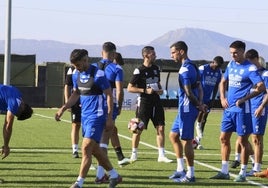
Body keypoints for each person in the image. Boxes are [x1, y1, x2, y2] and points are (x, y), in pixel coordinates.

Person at [55, 49, 122, 188]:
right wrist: (63, 108)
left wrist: (109, 117)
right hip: (85, 116)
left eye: (78, 65)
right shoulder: (76, 74)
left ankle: (79, 183)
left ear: (85, 60)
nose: (76, 68)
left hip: (97, 116)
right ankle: (114, 175)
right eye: (74, 66)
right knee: (95, 150)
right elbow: (76, 93)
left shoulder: (98, 74)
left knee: (85, 148)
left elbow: (109, 95)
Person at [209, 41, 265, 182]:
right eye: (231, 53)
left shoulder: (250, 68)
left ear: (242, 52)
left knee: (242, 141)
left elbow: (261, 87)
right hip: (229, 110)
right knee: (223, 138)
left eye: (235, 53)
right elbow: (223, 82)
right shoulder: (231, 65)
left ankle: (242, 172)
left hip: (242, 111)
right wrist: (222, 97)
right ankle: (224, 171)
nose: (233, 55)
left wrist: (245, 98)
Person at [168, 41, 206, 183]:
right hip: (185, 108)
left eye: (173, 52)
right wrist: (200, 103)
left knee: (187, 141)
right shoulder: (192, 66)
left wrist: (198, 105)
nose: (172, 55)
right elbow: (199, 87)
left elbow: (189, 91)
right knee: (173, 136)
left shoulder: (184, 69)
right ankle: (180, 169)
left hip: (186, 108)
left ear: (181, 52)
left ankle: (190, 174)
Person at [127, 46, 172, 163]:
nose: (155, 55)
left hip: (156, 101)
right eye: (153, 54)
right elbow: (130, 88)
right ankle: (134, 154)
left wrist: (160, 90)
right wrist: (144, 90)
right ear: (146, 55)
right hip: (144, 103)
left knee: (161, 128)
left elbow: (157, 83)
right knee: (138, 129)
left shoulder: (156, 68)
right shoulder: (139, 70)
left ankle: (161, 155)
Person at [94, 43, 130, 184]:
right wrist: (119, 106)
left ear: (102, 52)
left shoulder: (93, 67)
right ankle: (100, 175)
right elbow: (120, 91)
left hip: (93, 107)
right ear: (114, 54)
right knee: (104, 141)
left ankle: (98, 173)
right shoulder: (116, 68)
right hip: (109, 106)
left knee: (94, 140)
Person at [231, 50, 268, 176]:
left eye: (250, 60)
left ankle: (257, 168)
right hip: (247, 109)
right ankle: (252, 161)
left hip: (259, 109)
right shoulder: (249, 72)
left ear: (256, 59)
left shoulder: (265, 73)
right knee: (244, 137)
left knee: (257, 138)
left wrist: (261, 106)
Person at [195, 56, 224, 149]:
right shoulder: (203, 68)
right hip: (199, 96)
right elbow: (196, 82)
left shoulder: (219, 72)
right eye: (216, 65)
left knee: (205, 118)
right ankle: (196, 128)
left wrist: (213, 98)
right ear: (213, 62)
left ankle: (197, 141)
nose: (217, 67)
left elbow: (216, 86)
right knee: (199, 114)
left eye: (219, 66)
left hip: (208, 98)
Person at [0, 84, 33, 159]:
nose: (15, 114)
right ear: (22, 107)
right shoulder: (14, 105)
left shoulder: (18, 93)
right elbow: (8, 126)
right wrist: (6, 146)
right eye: (18, 114)